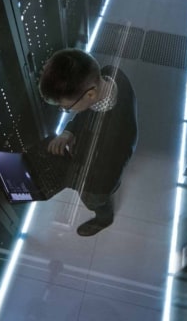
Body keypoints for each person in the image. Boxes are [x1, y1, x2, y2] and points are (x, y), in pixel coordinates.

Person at [38, 48, 138, 236]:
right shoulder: (110, 73)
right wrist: (68, 132)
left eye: (66, 107)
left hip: (100, 182)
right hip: (99, 157)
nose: (64, 109)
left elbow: (103, 180)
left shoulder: (114, 140)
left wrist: (66, 178)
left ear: (90, 95)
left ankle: (104, 219)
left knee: (96, 201)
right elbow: (87, 112)